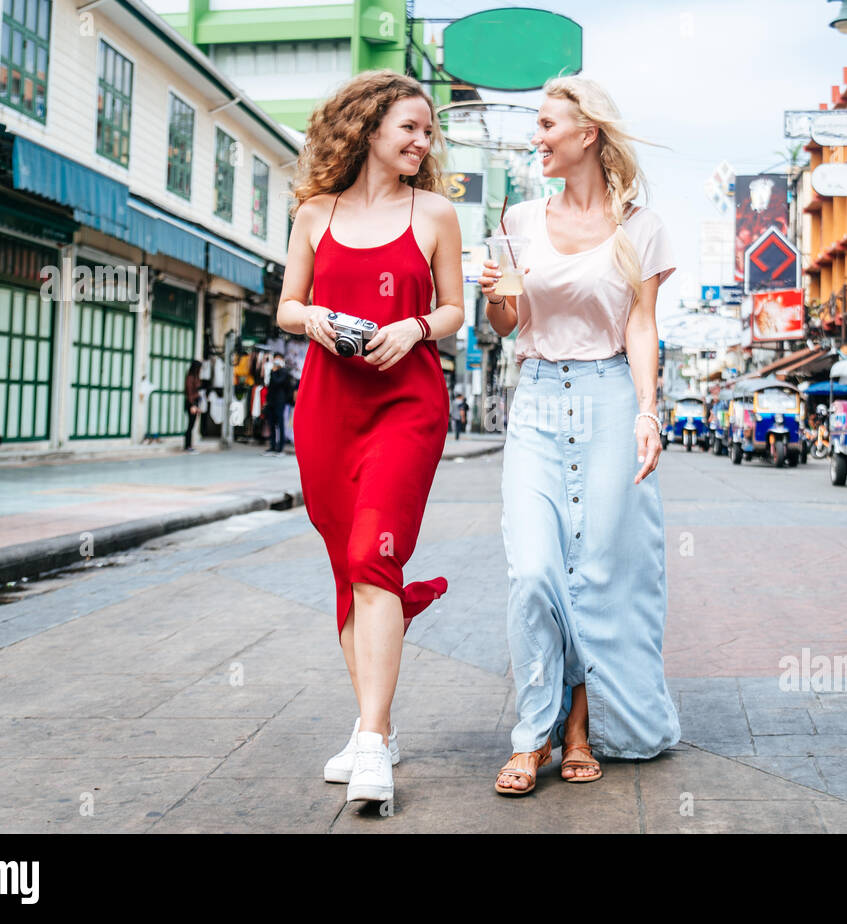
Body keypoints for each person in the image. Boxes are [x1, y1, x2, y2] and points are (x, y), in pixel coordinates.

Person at [481, 75, 680, 796]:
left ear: (587, 132)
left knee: (598, 571)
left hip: (607, 397)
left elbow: (640, 324)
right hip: (535, 400)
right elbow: (506, 328)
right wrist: (498, 302)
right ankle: (532, 730)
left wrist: (648, 410)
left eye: (546, 124)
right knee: (533, 569)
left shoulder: (641, 224)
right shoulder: (519, 218)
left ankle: (576, 729)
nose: (536, 136)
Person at [276, 70, 464, 806]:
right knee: (347, 573)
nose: (423, 141)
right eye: (410, 128)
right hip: (327, 406)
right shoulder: (314, 213)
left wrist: (412, 327)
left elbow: (454, 311)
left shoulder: (437, 214)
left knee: (369, 557)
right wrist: (314, 319)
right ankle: (369, 725)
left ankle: (376, 745)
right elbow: (288, 305)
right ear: (368, 129)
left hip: (407, 403)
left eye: (429, 132)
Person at [264, 352, 294, 455]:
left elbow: (278, 382)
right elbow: (269, 385)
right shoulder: (272, 370)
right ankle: (272, 446)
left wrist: (274, 372)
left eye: (278, 358)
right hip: (271, 400)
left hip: (280, 401)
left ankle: (280, 447)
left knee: (280, 424)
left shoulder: (284, 371)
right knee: (271, 423)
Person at [183, 360, 201, 453]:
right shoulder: (190, 378)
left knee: (192, 425)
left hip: (195, 403)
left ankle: (189, 445)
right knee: (190, 425)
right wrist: (193, 405)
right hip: (191, 403)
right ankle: (187, 445)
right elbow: (190, 393)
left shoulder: (195, 377)